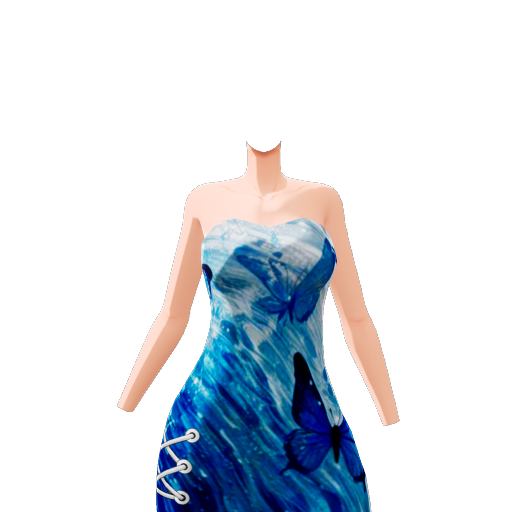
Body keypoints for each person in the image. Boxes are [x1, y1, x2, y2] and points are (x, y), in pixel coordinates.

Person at [118, 141, 399, 510]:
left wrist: (390, 417)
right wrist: (126, 406)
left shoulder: (324, 199)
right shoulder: (203, 199)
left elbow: (356, 317)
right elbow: (172, 314)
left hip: (302, 412)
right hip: (212, 416)